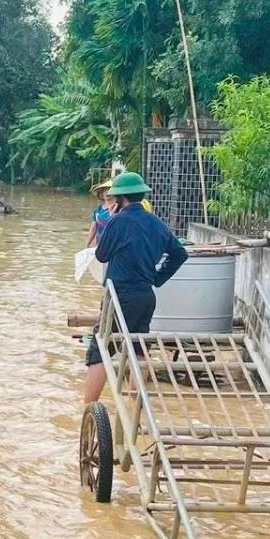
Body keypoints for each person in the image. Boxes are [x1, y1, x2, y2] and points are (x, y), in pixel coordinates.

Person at [82, 171, 188, 405]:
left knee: (101, 348)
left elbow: (101, 255)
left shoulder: (118, 221)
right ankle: (134, 405)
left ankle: (87, 410)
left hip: (120, 296)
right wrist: (158, 278)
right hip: (145, 296)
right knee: (138, 348)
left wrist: (111, 221)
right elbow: (180, 253)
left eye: (112, 199)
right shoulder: (156, 222)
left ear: (120, 199)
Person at [86, 182, 112, 248]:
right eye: (105, 190)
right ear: (102, 194)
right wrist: (87, 245)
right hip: (99, 244)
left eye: (109, 189)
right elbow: (93, 229)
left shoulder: (119, 209)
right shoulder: (98, 210)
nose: (107, 192)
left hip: (112, 244)